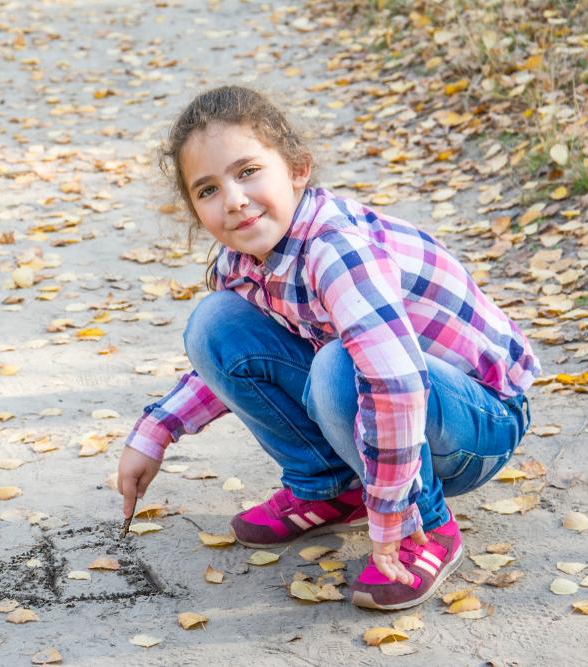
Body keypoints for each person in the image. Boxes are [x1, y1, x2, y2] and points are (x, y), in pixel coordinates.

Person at [116, 86, 539, 610]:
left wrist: (391, 512)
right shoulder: (244, 260)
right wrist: (156, 431)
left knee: (341, 365)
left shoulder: (336, 249)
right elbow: (238, 361)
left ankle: (425, 525)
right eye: (207, 189)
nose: (234, 200)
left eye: (248, 171)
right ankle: (330, 488)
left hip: (479, 421)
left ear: (297, 169)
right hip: (393, 406)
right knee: (216, 322)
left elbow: (395, 383)